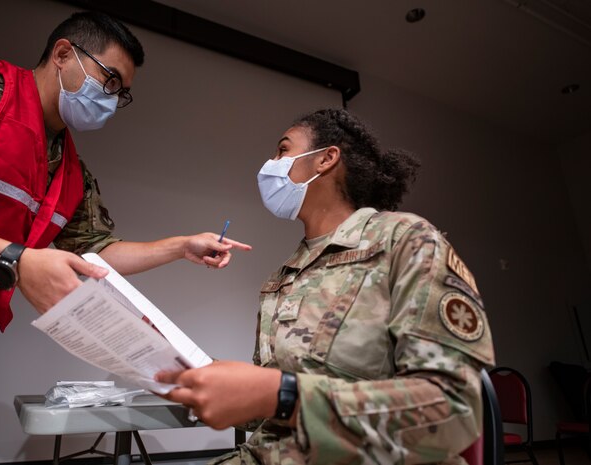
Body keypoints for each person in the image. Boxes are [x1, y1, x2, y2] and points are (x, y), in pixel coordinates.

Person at [0, 11, 250, 465]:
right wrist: (17, 260)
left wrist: (181, 247)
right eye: (109, 81)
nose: (111, 99)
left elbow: (96, 252)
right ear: (64, 54)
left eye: (121, 93)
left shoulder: (68, 171)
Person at [158, 108, 495, 464]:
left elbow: (453, 410)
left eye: (282, 150)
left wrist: (283, 395)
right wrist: (207, 376)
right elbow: (267, 406)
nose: (271, 164)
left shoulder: (403, 241)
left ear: (326, 158)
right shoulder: (283, 277)